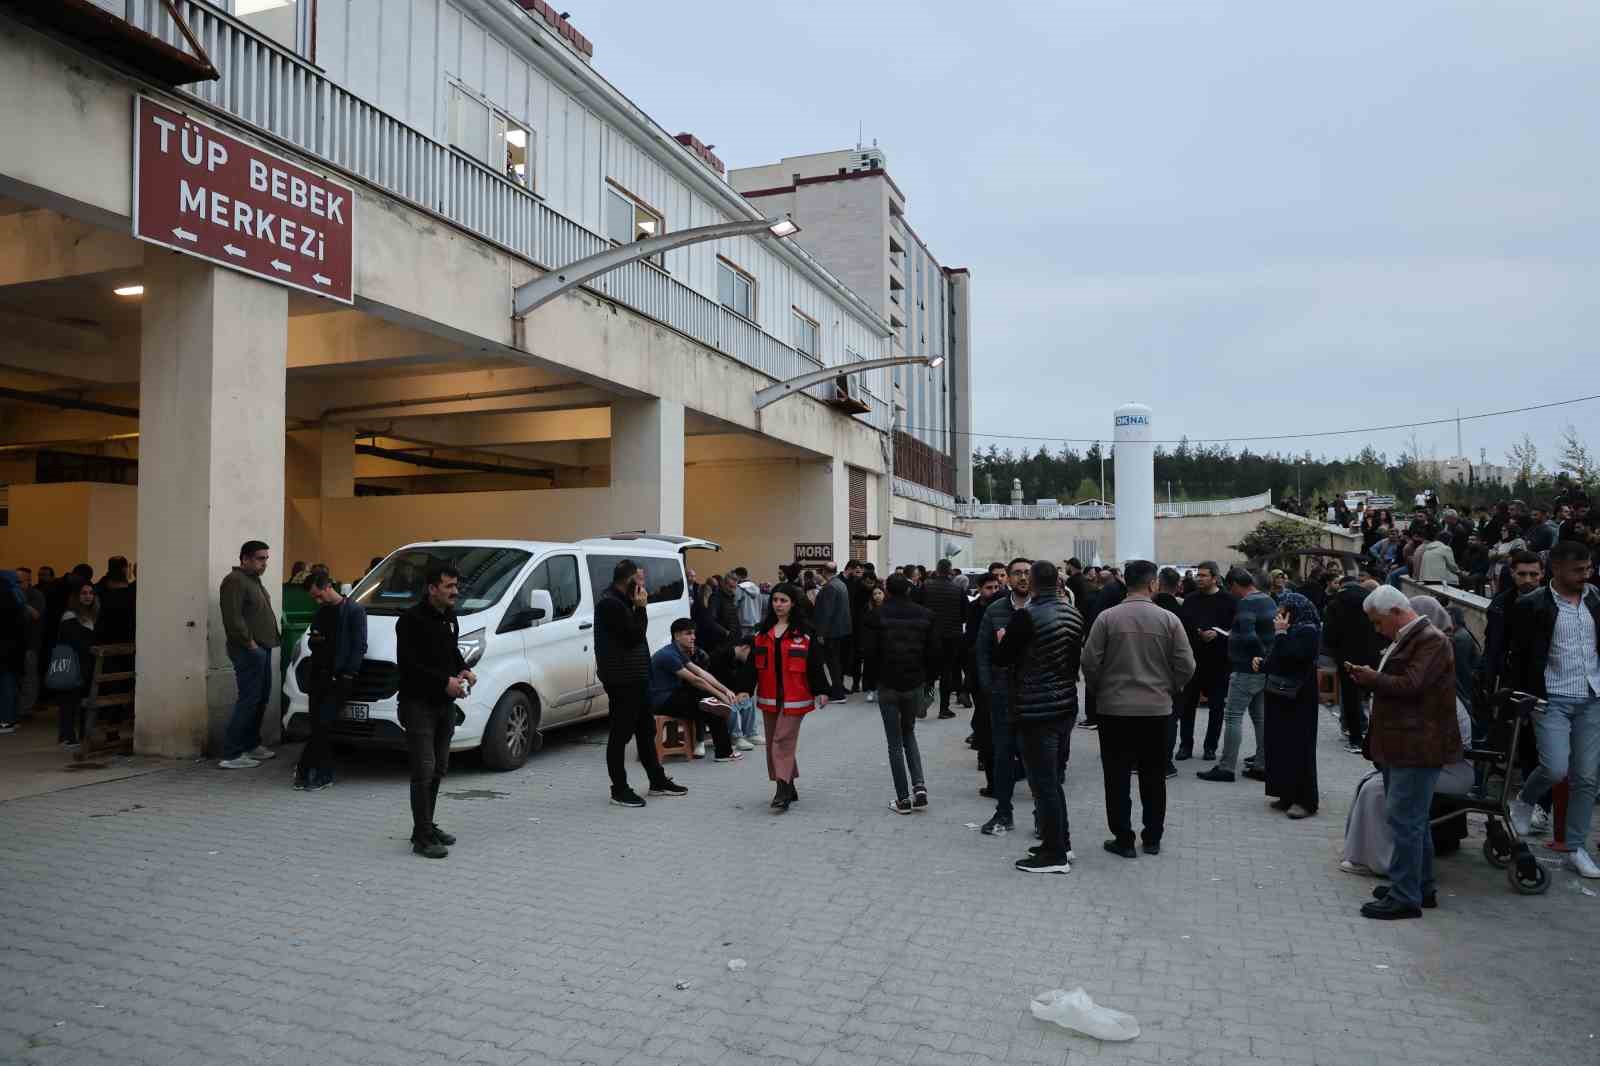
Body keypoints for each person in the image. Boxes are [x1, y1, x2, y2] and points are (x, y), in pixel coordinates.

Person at [1343, 586, 1461, 918]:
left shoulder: (1431, 639)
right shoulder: (1413, 638)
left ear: (1396, 612)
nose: (1376, 629)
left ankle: (1405, 894)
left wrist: (1372, 678)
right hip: (1405, 743)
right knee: (1413, 821)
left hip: (1417, 745)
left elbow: (1411, 685)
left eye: (1378, 622)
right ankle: (1417, 886)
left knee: (1404, 819)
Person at [1081, 560, 1194, 859]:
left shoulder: (1107, 618)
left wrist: (1100, 689)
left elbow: (1089, 662)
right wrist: (1170, 687)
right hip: (1156, 710)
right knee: (1153, 775)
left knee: (1116, 776)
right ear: (1152, 584)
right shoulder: (1169, 620)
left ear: (1125, 583)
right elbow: (1187, 665)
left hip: (1114, 709)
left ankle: (1123, 839)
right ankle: (1153, 837)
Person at [1505, 539, 1600, 879]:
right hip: (1550, 699)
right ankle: (1525, 800)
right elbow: (1518, 654)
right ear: (1556, 569)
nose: (1585, 575)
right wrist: (1519, 697)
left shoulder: (1595, 600)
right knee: (1556, 768)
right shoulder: (1533, 605)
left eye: (1588, 569)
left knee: (1587, 778)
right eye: (1578, 570)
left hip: (1591, 698)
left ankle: (1575, 847)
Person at [990, 559, 1085, 873]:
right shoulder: (1073, 613)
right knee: (1052, 780)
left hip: (1035, 708)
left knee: (1043, 783)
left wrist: (1004, 640)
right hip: (1065, 704)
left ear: (1030, 582)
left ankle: (1054, 854)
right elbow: (1073, 664)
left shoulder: (1025, 616)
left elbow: (1003, 659)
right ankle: (1061, 843)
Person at [396, 565, 476, 858]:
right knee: (423, 770)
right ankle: (422, 837)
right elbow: (408, 666)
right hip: (418, 705)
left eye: (456, 585)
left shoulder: (449, 617)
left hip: (444, 706)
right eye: (449, 586)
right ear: (432, 588)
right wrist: (444, 682)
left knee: (439, 768)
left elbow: (450, 652)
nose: (455, 591)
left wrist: (463, 670)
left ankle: (427, 824)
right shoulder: (410, 621)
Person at [595, 560, 687, 809]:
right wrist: (642, 608)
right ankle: (619, 789)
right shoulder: (610, 604)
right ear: (629, 580)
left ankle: (657, 780)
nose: (645, 585)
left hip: (638, 678)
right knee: (620, 735)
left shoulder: (625, 601)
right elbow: (634, 636)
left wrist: (637, 607)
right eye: (641, 579)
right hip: (622, 680)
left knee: (646, 731)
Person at [751, 582, 830, 812]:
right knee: (775, 744)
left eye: (783, 600)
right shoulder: (762, 631)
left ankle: (782, 791)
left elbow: (815, 663)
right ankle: (790, 785)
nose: (778, 604)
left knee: (781, 742)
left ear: (793, 603)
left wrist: (822, 690)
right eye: (775, 600)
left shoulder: (805, 632)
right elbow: (751, 666)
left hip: (796, 697)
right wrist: (743, 688)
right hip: (769, 698)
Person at [1197, 569, 1276, 783]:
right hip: (1264, 669)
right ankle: (1262, 764)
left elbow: (1249, 633)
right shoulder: (1267, 600)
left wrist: (1253, 650)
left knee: (1232, 716)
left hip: (1246, 668)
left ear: (1234, 584)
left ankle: (1227, 767)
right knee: (1260, 719)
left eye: (1229, 587)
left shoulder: (1247, 603)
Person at [974, 558, 1032, 835]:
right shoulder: (996, 610)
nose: (1023, 577)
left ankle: (1043, 817)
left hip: (1035, 698)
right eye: (1017, 573)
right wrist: (988, 686)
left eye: (1027, 573)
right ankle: (1003, 812)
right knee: (1002, 755)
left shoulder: (1043, 608)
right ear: (1007, 578)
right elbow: (982, 651)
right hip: (1002, 696)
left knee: (1038, 760)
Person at [874, 574, 940, 814]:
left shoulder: (877, 615)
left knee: (894, 743)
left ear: (887, 591)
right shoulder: (925, 615)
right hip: (914, 683)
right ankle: (919, 785)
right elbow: (934, 652)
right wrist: (928, 680)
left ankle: (903, 799)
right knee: (909, 732)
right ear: (909, 591)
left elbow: (869, 651)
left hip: (887, 683)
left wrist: (871, 681)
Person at [294, 574, 366, 792]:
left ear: (327, 587)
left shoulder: (353, 611)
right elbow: (314, 640)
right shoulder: (322, 611)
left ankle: (310, 771)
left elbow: (359, 645)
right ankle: (314, 773)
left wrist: (348, 674)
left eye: (318, 595)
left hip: (339, 678)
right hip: (319, 676)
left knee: (323, 725)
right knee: (318, 727)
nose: (317, 601)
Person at [218, 540, 281, 769]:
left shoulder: (254, 581)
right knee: (248, 700)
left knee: (260, 698)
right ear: (244, 558)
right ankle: (232, 753)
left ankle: (251, 743)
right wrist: (250, 645)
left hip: (261, 649)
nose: (264, 563)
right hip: (248, 650)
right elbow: (233, 619)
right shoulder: (234, 581)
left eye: (265, 558)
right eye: (259, 558)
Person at [1261, 592, 1322, 818]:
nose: (1279, 614)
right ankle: (1285, 793)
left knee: (1298, 746)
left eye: (1284, 609)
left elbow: (1293, 656)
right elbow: (1278, 656)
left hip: (1299, 698)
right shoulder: (1292, 629)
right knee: (1280, 744)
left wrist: (1281, 633)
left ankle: (1304, 800)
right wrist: (1264, 663)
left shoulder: (1308, 631)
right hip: (1280, 694)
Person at [649, 618, 741, 762]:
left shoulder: (677, 651)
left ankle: (722, 750)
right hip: (662, 701)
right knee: (712, 706)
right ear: (676, 635)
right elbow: (695, 680)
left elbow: (701, 673)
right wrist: (720, 696)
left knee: (711, 705)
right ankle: (723, 752)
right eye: (688, 633)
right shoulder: (668, 655)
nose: (693, 637)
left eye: (694, 633)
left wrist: (725, 690)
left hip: (674, 695)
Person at [1177, 562, 1235, 763]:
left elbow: (1235, 630)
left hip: (1219, 662)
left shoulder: (1228, 600)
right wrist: (1197, 634)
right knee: (1187, 706)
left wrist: (1218, 635)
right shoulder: (1190, 600)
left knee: (1217, 707)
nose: (1198, 579)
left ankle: (1210, 747)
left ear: (1215, 578)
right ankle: (1185, 745)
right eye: (1197, 575)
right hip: (1193, 661)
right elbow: (1182, 628)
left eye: (1203, 575)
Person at [1323, 570, 1384, 756]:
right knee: (1375, 696)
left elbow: (1329, 635)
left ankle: (1356, 739)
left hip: (1347, 657)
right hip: (1373, 654)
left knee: (1350, 697)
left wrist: (1335, 652)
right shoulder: (1372, 599)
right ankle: (1375, 738)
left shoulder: (1336, 603)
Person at [966, 572, 1004, 794]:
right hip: (979, 671)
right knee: (982, 715)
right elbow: (970, 638)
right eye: (989, 587)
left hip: (999, 673)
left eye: (996, 586)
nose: (993, 591)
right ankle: (983, 755)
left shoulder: (1003, 608)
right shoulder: (974, 609)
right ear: (979, 589)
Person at [49, 582, 99, 746]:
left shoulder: (92, 615)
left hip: (86, 665)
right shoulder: (70, 616)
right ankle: (66, 736)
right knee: (69, 702)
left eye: (91, 593)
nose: (88, 596)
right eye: (84, 593)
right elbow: (74, 642)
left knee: (83, 701)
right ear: (77, 596)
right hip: (73, 664)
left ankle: (84, 735)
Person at [918, 558, 965, 720]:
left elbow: (919, 608)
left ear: (937, 570)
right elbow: (965, 614)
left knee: (930, 673)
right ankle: (944, 709)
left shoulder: (926, 587)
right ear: (950, 571)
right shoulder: (958, 589)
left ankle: (926, 698)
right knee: (947, 672)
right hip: (951, 636)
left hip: (930, 635)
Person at [1153, 567, 1185, 777]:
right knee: (1170, 718)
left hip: (1149, 673)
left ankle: (1146, 761)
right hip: (1173, 675)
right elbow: (1186, 655)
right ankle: (1166, 763)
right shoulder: (1184, 609)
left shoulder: (1152, 610)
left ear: (1158, 583)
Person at [707, 636, 759, 751]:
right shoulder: (719, 656)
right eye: (752, 655)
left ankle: (750, 733)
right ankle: (736, 737)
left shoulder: (741, 660)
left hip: (729, 691)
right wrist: (733, 693)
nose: (752, 659)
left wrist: (743, 692)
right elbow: (715, 682)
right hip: (713, 693)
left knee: (747, 698)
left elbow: (749, 679)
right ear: (745, 648)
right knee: (731, 700)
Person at [811, 562, 853, 702]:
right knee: (836, 662)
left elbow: (826, 612)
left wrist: (821, 633)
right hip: (841, 630)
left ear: (824, 571)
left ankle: (837, 693)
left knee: (832, 662)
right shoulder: (840, 584)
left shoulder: (830, 587)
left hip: (831, 631)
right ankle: (839, 687)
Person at [857, 582, 885, 703]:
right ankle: (871, 690)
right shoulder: (867, 608)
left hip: (884, 642)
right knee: (870, 668)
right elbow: (863, 626)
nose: (877, 596)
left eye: (879, 593)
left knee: (882, 668)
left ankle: (882, 690)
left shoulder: (888, 608)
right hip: (871, 642)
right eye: (875, 594)